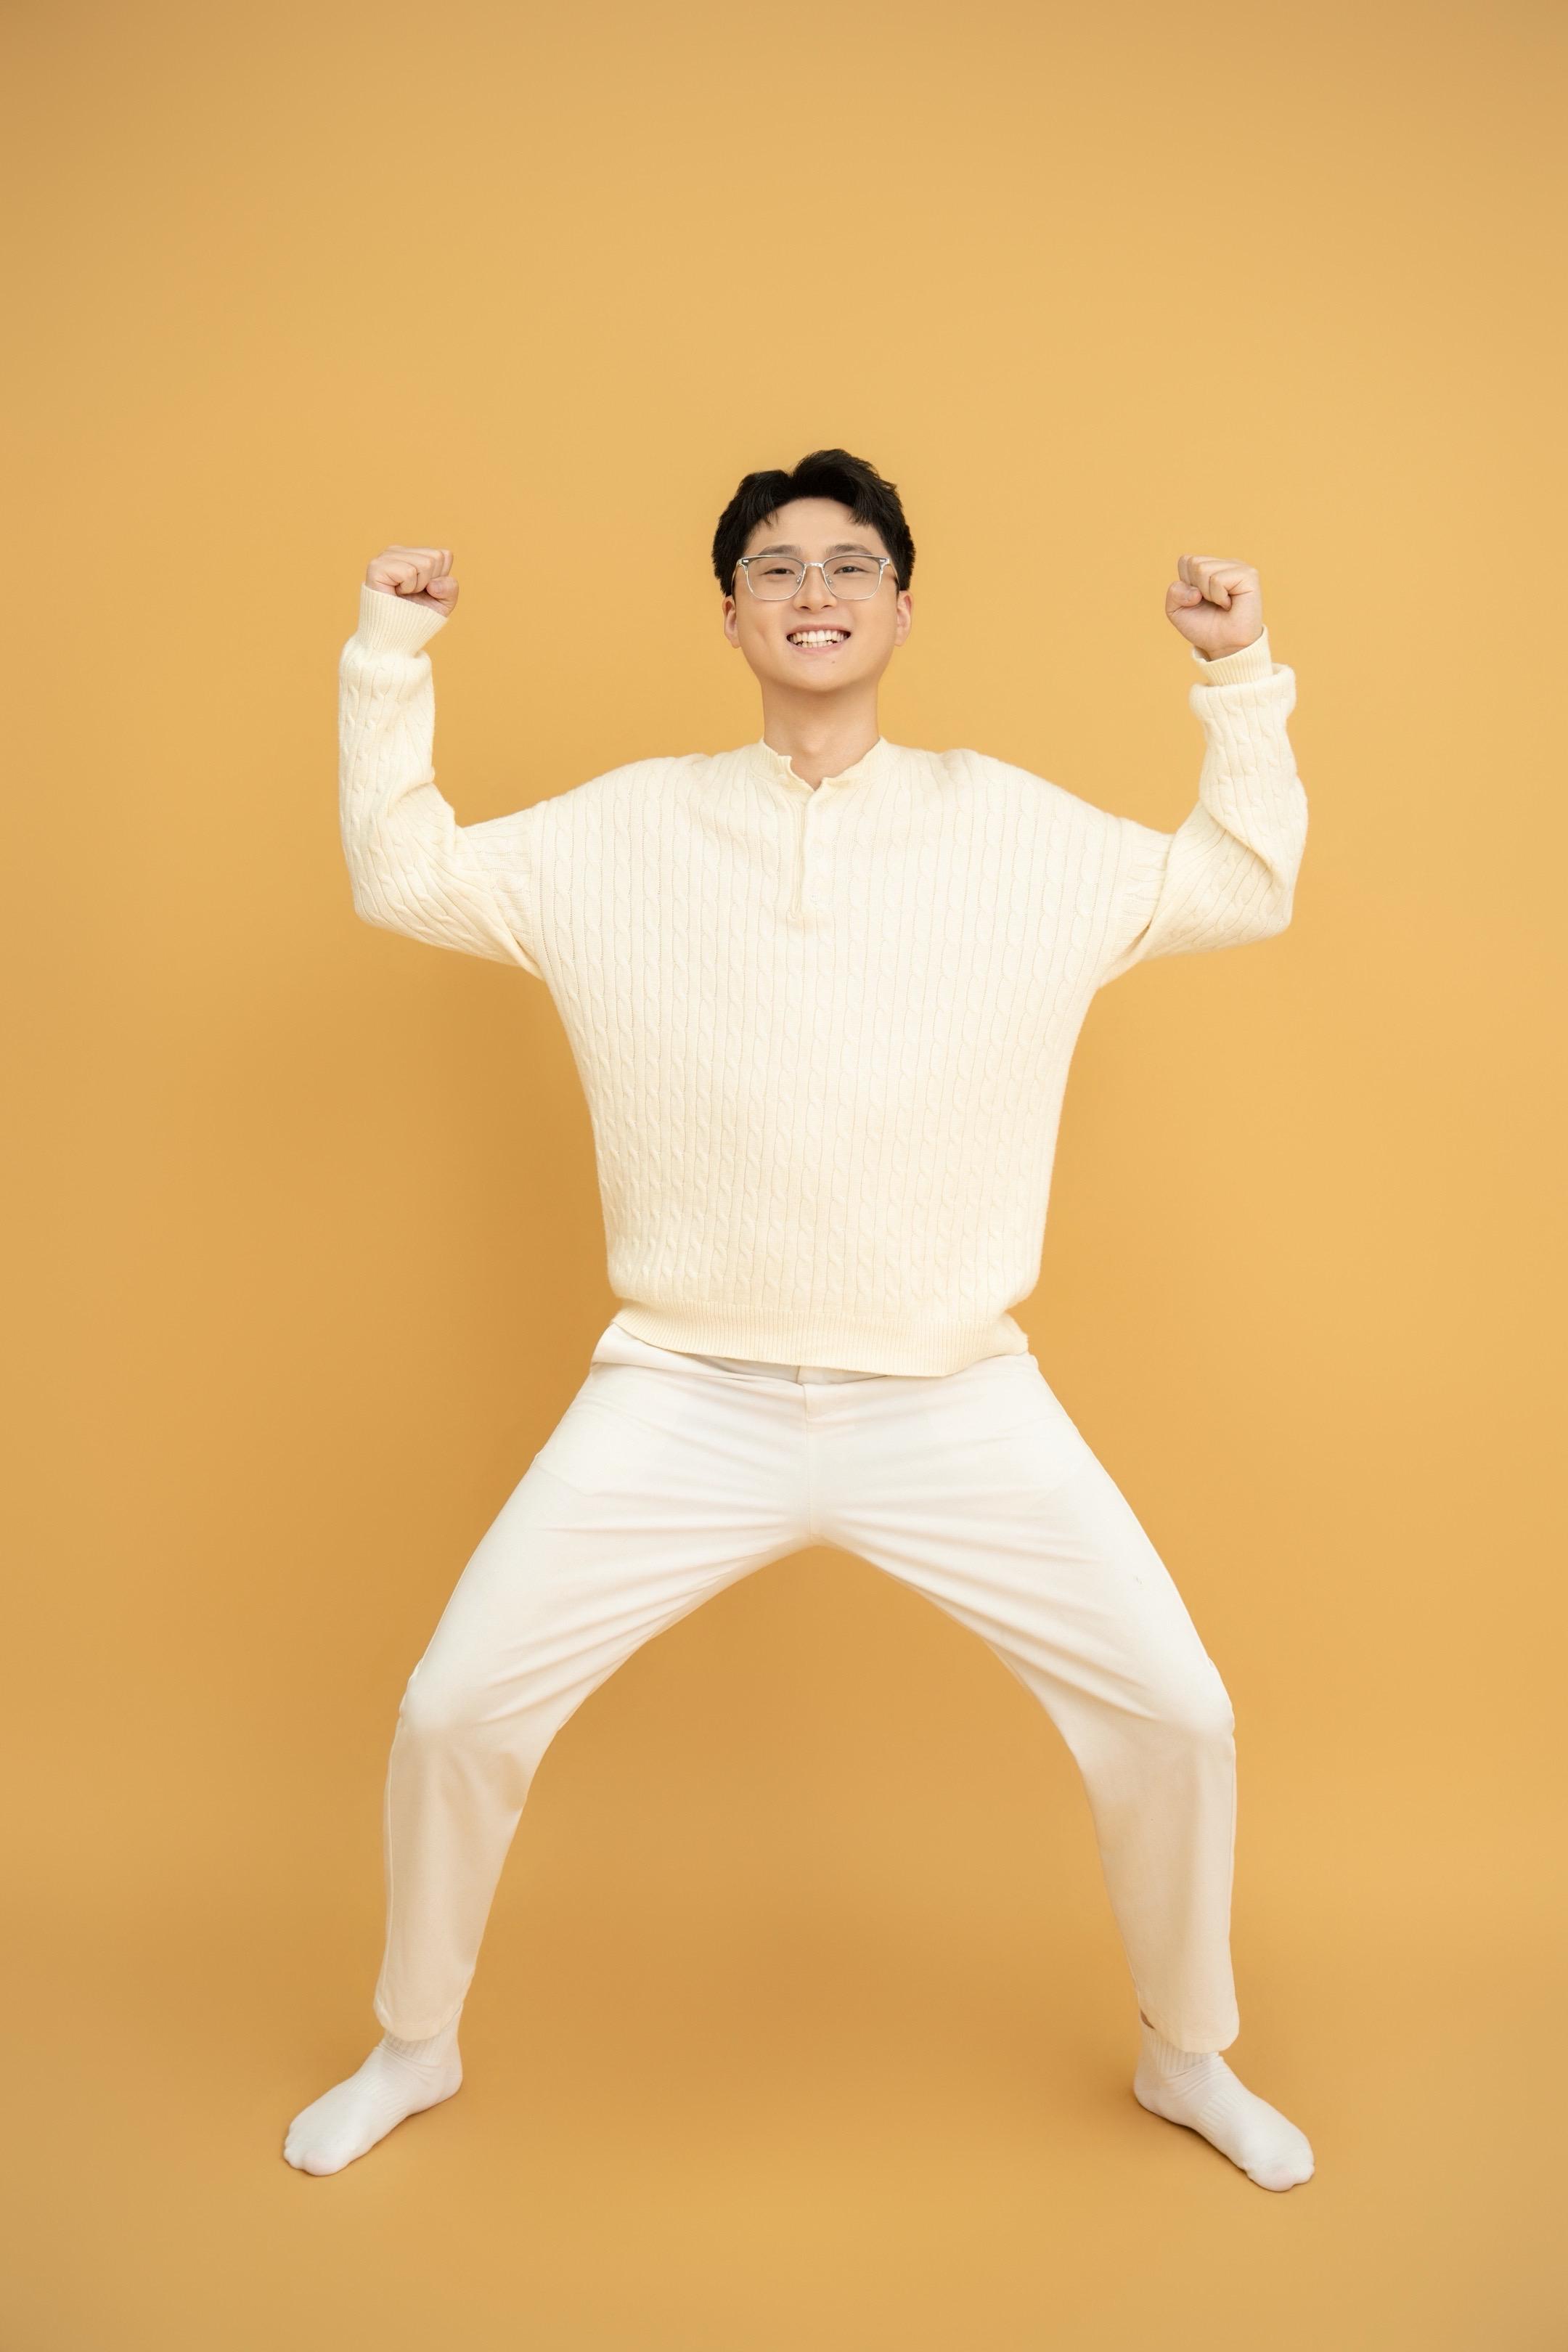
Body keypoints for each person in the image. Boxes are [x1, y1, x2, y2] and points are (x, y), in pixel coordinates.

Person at [284, 449, 1314, 2190]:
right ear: (734, 614)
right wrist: (389, 651)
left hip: (953, 1399)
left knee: (1178, 1716)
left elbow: (1243, 883)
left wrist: (1239, 673)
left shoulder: (1020, 832)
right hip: (681, 1396)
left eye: (850, 565)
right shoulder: (617, 832)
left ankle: (1185, 2052)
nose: (814, 591)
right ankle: (415, 2042)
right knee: (455, 1710)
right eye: (776, 567)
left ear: (903, 609)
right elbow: (402, 873)